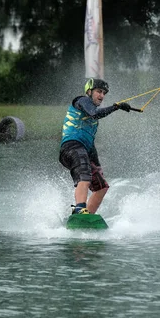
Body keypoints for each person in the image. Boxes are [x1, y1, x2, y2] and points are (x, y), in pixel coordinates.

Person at [59, 78, 131, 215]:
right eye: (99, 91)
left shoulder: (92, 122)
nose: (102, 96)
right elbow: (95, 113)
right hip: (70, 147)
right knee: (85, 176)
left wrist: (96, 165)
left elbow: (90, 146)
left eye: (104, 93)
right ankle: (79, 210)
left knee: (102, 187)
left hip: (84, 150)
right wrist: (117, 107)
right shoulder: (82, 101)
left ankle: (87, 218)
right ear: (89, 91)